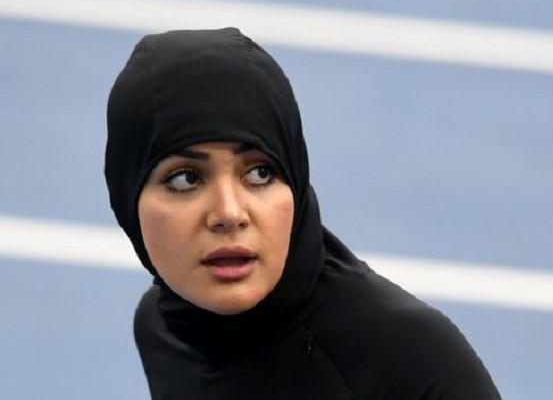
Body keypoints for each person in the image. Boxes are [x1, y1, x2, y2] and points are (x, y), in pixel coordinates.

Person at [105, 27, 501, 399]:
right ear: (126, 196)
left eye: (260, 173)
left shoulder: (409, 361)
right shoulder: (161, 329)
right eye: (185, 179)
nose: (229, 213)